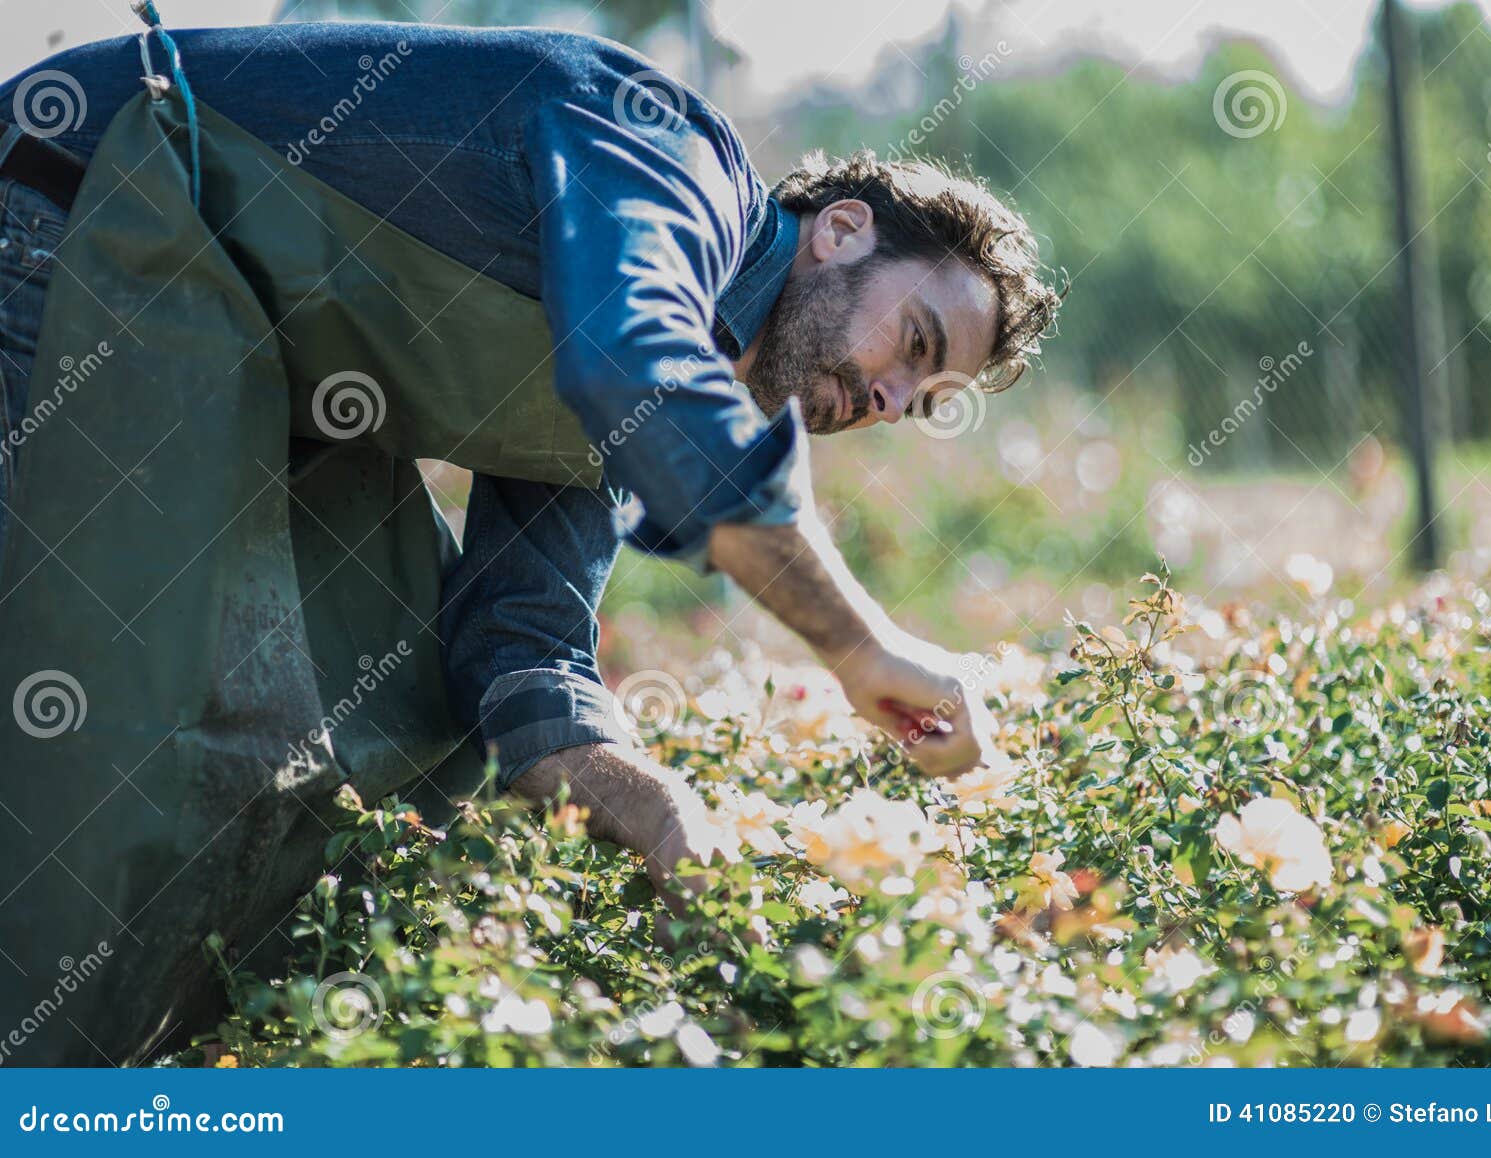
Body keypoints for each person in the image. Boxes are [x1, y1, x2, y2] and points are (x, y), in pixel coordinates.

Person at [0, 23, 1059, 918]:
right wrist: (859, 644)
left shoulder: (630, 414)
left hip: (203, 351)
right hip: (67, 221)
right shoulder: (669, 157)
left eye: (919, 404)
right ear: (838, 231)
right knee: (89, 684)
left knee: (355, 717)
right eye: (914, 346)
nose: (889, 401)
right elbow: (633, 358)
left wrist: (661, 816)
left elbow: (523, 643)